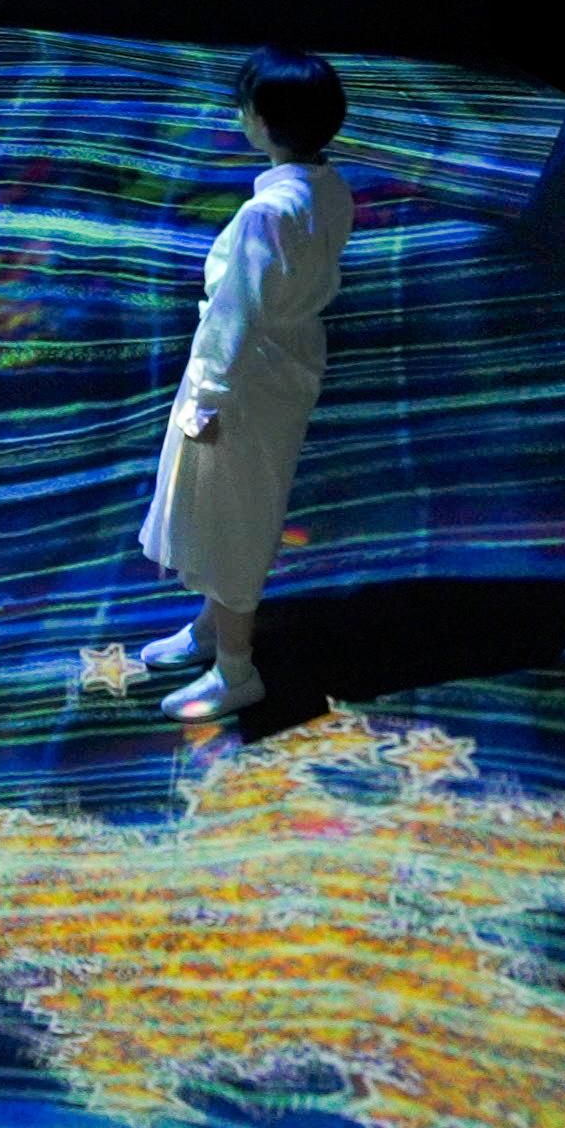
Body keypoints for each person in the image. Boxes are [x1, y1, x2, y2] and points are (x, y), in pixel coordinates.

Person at [134, 47, 353, 721]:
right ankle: (211, 628)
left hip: (242, 381)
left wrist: (203, 400)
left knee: (229, 518)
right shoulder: (329, 186)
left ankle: (236, 669)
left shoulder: (267, 214)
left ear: (260, 118)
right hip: (285, 364)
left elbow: (235, 316)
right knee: (240, 504)